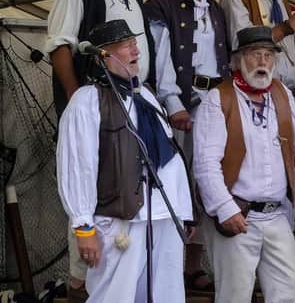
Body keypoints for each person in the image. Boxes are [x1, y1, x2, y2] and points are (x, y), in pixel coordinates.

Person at [44, 0, 155, 302]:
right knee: (87, 195)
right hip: (95, 109)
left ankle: (109, 282)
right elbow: (60, 47)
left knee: (123, 197)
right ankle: (79, 286)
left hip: (131, 108)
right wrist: (78, 100)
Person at [193, 26, 295, 302]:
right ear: (238, 60)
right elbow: (205, 164)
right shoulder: (218, 99)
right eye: (254, 55)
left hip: (276, 216)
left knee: (292, 292)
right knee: (234, 296)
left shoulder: (282, 94)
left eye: (268, 55)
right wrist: (225, 209)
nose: (263, 62)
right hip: (237, 213)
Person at [56, 20, 193, 303]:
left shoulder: (147, 98)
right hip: (119, 221)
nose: (136, 51)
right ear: (103, 54)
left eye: (135, 43)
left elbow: (168, 158)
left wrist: (184, 209)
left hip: (162, 217)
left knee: (167, 295)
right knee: (114, 297)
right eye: (127, 44)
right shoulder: (87, 101)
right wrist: (83, 227)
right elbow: (78, 167)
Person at [144, 0, 230, 291]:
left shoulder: (214, 7)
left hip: (214, 104)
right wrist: (174, 104)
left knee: (208, 182)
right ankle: (169, 265)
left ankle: (195, 266)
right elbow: (161, 59)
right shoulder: (161, 5)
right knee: (176, 184)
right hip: (182, 106)